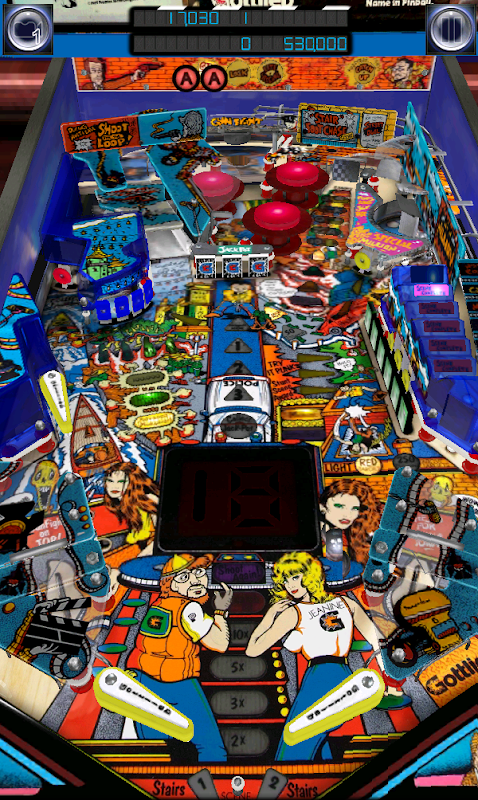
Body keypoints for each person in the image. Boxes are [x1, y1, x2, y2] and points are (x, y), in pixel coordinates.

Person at [245, 552, 382, 761]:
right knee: (318, 739)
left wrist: (269, 616)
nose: (291, 585)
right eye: (285, 580)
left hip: (319, 677)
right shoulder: (346, 602)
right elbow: (376, 638)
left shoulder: (294, 612)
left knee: (293, 745)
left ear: (309, 575)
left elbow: (253, 649)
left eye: (295, 577)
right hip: (345, 674)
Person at [126, 553, 232, 762]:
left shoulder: (159, 605)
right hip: (177, 684)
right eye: (184, 577)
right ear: (171, 584)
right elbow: (220, 644)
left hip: (144, 682)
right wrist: (220, 611)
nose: (195, 581)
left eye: (199, 572)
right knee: (211, 748)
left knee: (159, 752)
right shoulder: (189, 608)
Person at [319, 479, 383, 566]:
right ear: (322, 507)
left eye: (354, 508)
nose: (347, 514)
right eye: (339, 506)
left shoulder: (356, 534)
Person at [103, 463, 159, 547]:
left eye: (121, 482)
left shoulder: (148, 498)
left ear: (132, 482)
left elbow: (162, 536)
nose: (114, 486)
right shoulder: (118, 504)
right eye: (110, 481)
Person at [80, 58, 164, 91]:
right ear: (89, 73)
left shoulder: (104, 86)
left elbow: (116, 83)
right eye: (94, 71)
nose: (98, 74)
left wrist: (134, 77)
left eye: (99, 71)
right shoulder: (87, 88)